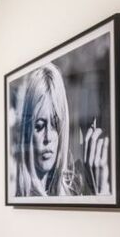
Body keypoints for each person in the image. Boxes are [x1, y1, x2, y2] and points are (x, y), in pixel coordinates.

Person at [11, 63, 110, 197]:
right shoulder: (17, 191)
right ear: (27, 132)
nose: (48, 138)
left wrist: (101, 191)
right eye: (39, 126)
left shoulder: (75, 189)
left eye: (55, 125)